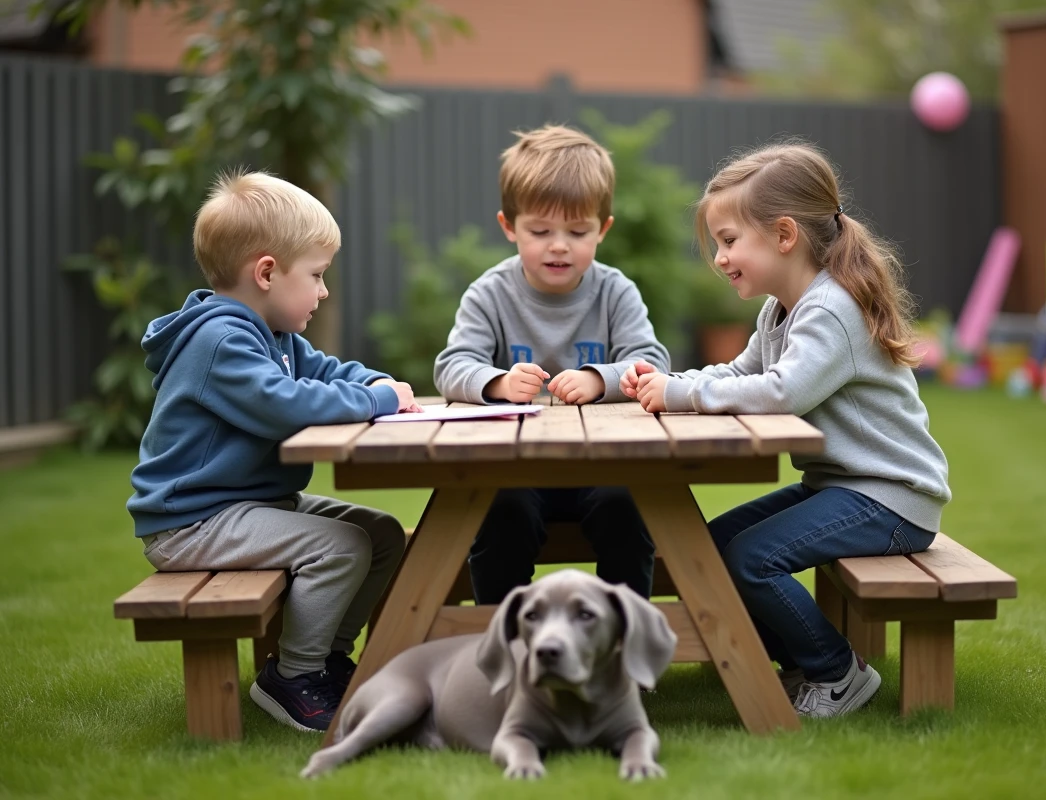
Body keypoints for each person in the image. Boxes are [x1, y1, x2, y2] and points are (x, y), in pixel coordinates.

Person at [623, 143, 951, 717]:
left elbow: (782, 392)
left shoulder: (829, 309)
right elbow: (743, 373)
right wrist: (672, 381)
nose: (720, 258)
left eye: (728, 241)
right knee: (714, 545)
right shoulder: (781, 307)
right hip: (843, 486)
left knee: (751, 559)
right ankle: (799, 660)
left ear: (783, 235)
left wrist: (681, 394)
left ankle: (837, 671)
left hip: (891, 497)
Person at [127, 171, 421, 732]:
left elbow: (330, 373)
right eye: (316, 275)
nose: (324, 290)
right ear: (266, 272)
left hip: (249, 506)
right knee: (338, 548)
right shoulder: (221, 342)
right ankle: (295, 677)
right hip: (193, 520)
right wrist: (373, 400)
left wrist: (379, 385)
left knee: (381, 535)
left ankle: (327, 658)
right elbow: (284, 404)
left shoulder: (273, 333)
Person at [433, 124, 670, 604]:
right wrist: (496, 382)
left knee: (628, 506)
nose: (558, 245)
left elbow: (652, 361)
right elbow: (452, 364)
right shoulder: (490, 293)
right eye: (540, 231)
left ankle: (622, 650)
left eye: (577, 231)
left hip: (602, 464)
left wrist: (599, 378)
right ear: (508, 227)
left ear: (602, 230)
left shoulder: (614, 291)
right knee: (500, 511)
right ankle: (505, 647)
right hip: (515, 468)